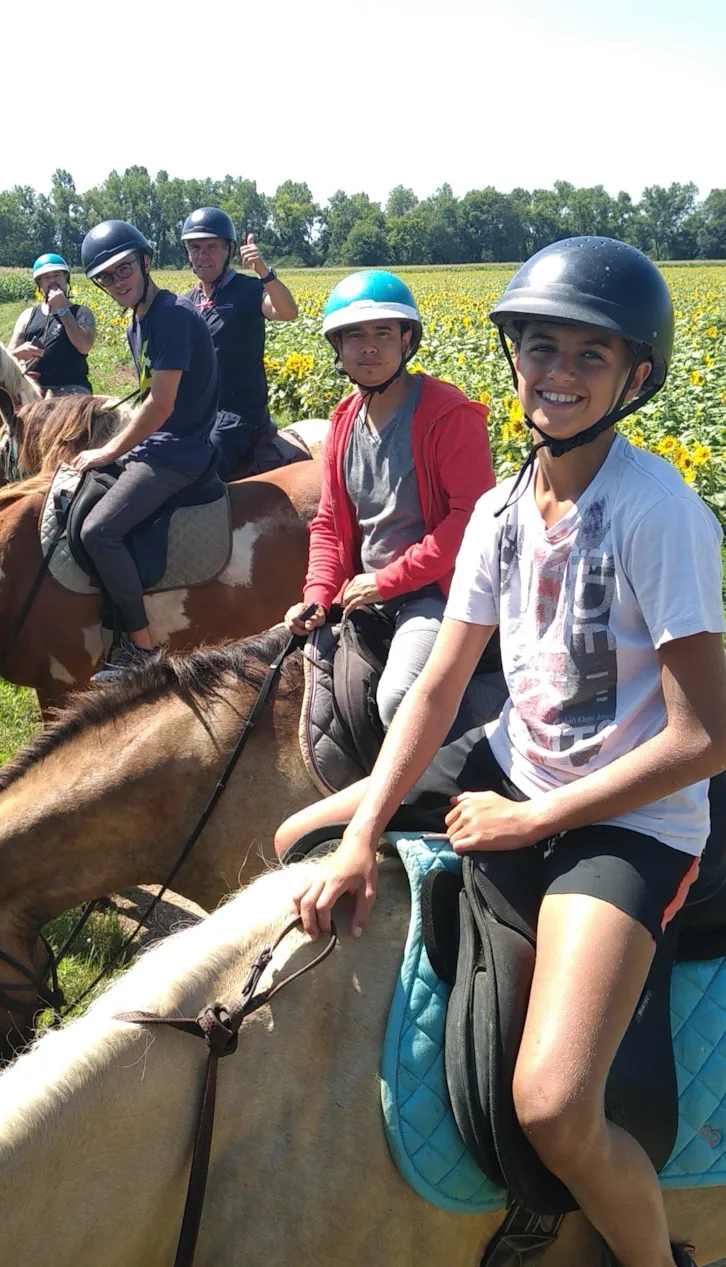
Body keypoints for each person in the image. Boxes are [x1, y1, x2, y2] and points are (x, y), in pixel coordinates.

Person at [282, 238, 726, 1267]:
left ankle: (652, 1259)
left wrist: (534, 819)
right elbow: (438, 686)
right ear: (510, 358)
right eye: (538, 349)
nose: (556, 375)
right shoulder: (497, 510)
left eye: (588, 355)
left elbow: (705, 734)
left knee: (553, 1103)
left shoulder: (657, 514)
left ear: (635, 376)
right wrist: (354, 829)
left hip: (628, 815)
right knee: (295, 834)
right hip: (512, 761)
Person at [283, 269, 497, 730]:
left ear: (407, 340)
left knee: (400, 699)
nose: (369, 347)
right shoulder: (342, 421)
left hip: (433, 595)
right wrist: (317, 595)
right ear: (337, 348)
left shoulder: (449, 415)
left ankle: (466, 765)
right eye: (354, 336)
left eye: (383, 332)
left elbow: (468, 521)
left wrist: (387, 581)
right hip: (367, 592)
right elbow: (326, 524)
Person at [76, 219, 219, 675]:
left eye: (123, 271)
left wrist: (110, 451)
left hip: (178, 452)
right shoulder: (139, 323)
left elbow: (160, 404)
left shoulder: (172, 318)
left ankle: (142, 653)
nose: (117, 283)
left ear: (145, 262)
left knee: (98, 530)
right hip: (157, 446)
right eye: (106, 278)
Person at [181, 206, 298, 479]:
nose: (203, 255)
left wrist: (263, 271)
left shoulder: (248, 290)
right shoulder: (188, 300)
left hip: (238, 414)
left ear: (229, 250)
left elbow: (287, 312)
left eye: (212, 246)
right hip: (199, 410)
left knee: (201, 469)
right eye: (195, 247)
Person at [9, 253, 95, 395]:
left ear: (66, 279)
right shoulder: (27, 315)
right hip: (33, 386)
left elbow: (84, 346)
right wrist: (19, 353)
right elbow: (9, 354)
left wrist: (62, 309)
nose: (52, 281)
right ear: (40, 284)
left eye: (57, 275)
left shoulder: (81, 312)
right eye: (46, 277)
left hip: (71, 387)